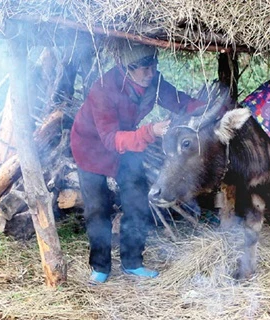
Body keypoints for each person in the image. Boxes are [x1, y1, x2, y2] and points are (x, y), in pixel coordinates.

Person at [70, 40, 203, 284]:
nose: (150, 73)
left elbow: (181, 102)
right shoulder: (103, 89)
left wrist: (208, 109)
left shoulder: (154, 80)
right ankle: (100, 267)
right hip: (91, 148)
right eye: (143, 68)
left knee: (138, 201)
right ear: (125, 67)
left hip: (128, 142)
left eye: (153, 65)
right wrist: (151, 131)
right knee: (98, 208)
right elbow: (110, 139)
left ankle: (132, 262)